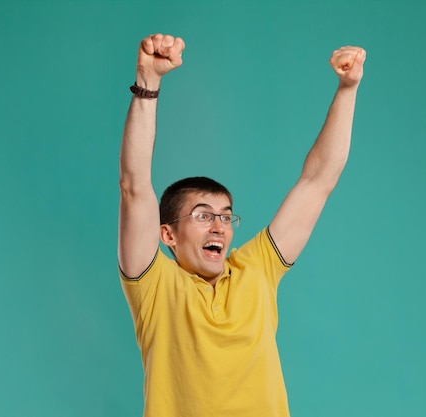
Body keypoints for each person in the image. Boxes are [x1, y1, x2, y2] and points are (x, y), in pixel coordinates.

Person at [118, 33, 366, 417]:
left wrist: (347, 89)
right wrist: (148, 82)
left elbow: (318, 182)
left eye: (225, 215)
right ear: (167, 233)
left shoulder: (257, 270)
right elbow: (134, 187)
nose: (219, 226)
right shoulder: (155, 288)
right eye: (202, 215)